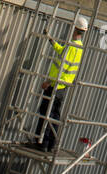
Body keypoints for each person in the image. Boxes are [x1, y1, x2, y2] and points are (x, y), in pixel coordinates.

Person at [31, 15, 88, 152]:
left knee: (46, 112)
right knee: (54, 114)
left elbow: (62, 66)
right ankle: (51, 144)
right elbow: (61, 52)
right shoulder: (78, 47)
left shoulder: (72, 46)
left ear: (75, 29)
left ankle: (42, 143)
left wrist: (48, 82)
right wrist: (51, 39)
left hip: (55, 85)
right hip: (62, 87)